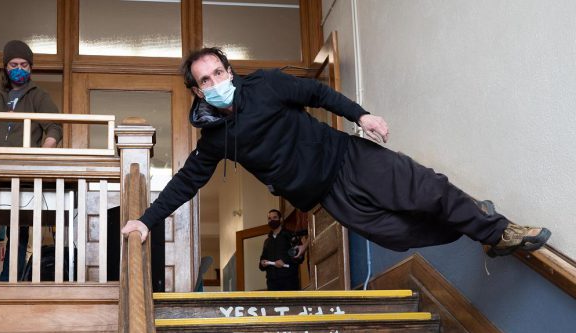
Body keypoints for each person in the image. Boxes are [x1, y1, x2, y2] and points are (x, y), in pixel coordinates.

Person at [121, 47, 550, 259]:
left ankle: (497, 230)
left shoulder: (267, 85)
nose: (215, 81)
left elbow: (316, 91)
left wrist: (362, 117)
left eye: (219, 72)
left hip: (348, 156)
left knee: (427, 189)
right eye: (205, 80)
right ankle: (477, 226)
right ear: (197, 91)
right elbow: (186, 182)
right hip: (327, 195)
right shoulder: (214, 138)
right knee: (397, 236)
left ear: (230, 71)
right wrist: (145, 221)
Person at [0, 40, 63, 280]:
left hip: (22, 172)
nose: (18, 68)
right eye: (13, 64)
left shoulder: (39, 96)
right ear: (5, 66)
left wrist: (42, 153)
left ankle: (9, 279)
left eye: (24, 64)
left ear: (31, 68)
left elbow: (54, 127)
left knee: (18, 227)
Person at [259, 209, 303, 291]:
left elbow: (300, 256)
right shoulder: (267, 241)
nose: (272, 220)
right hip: (272, 283)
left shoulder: (290, 235)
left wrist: (284, 262)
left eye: (275, 217)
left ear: (281, 219)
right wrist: (262, 263)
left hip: (289, 281)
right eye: (269, 218)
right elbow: (262, 262)